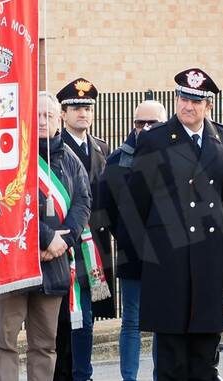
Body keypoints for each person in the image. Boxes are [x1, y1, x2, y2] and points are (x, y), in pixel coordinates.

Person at [130, 68, 223, 380]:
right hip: (169, 257)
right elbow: (138, 199)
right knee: (171, 353)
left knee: (205, 353)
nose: (187, 106)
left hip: (208, 255)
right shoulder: (154, 139)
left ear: (209, 106)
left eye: (196, 101)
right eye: (183, 98)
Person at [0, 91, 91, 381]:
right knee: (4, 342)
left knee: (45, 346)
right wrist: (46, 238)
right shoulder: (11, 153)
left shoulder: (71, 160)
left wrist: (62, 242)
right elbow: (7, 205)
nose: (43, 121)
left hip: (54, 264)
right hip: (15, 262)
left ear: (59, 118)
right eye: (37, 115)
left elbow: (83, 203)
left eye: (48, 115)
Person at [98, 100, 167, 381]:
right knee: (132, 322)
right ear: (133, 124)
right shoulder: (118, 159)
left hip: (167, 254)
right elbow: (107, 209)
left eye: (154, 123)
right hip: (133, 253)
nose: (147, 128)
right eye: (141, 123)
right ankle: (129, 377)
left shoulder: (176, 155)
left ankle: (163, 374)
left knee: (165, 321)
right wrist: (126, 235)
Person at [55, 77, 114, 381]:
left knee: (86, 318)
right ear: (62, 113)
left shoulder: (103, 148)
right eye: (75, 107)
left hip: (92, 249)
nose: (83, 113)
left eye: (87, 107)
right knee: (60, 318)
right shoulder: (53, 148)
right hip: (62, 243)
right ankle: (63, 373)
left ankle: (83, 373)